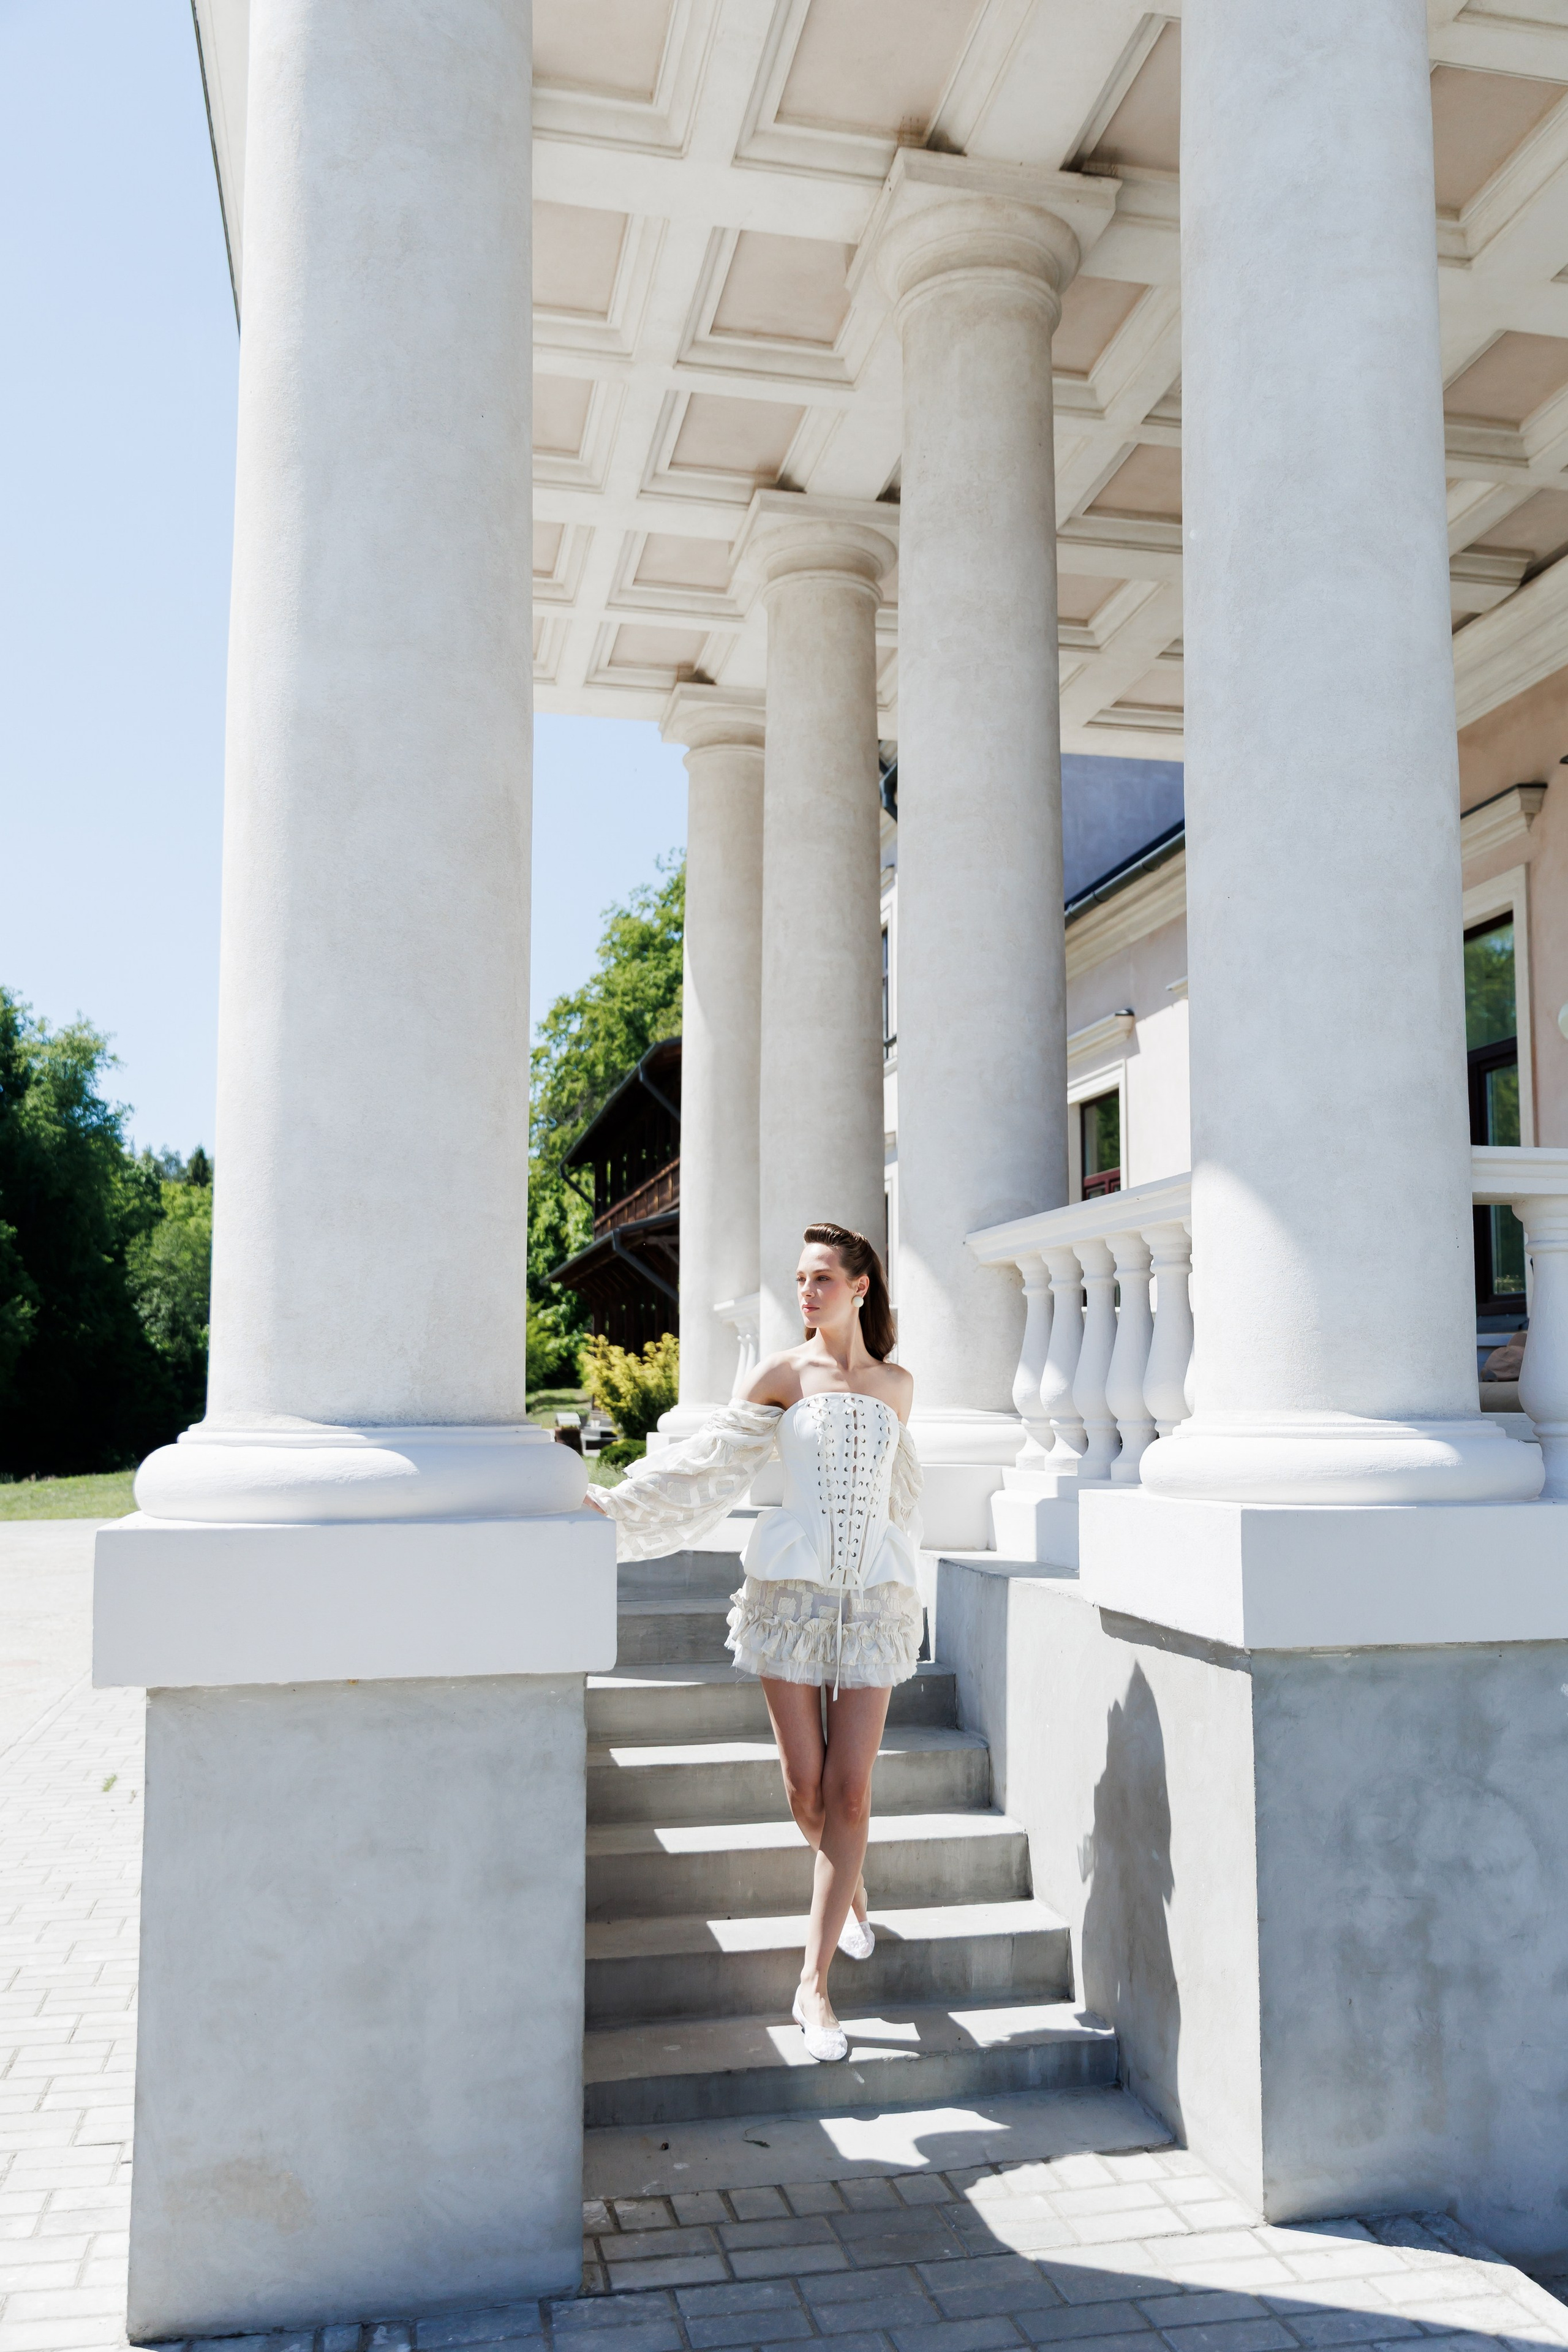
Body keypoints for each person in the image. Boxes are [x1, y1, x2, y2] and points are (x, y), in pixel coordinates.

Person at [587, 1221, 922, 2064]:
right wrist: (617, 1505)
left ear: (860, 1286)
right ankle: (849, 1887)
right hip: (792, 1596)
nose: (805, 1292)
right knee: (806, 1789)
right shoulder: (782, 1372)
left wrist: (908, 1581)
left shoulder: (896, 1385)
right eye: (800, 1279)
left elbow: (900, 1492)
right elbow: (708, 1463)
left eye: (820, 1279)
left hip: (876, 1599)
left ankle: (812, 1987)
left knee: (851, 1793)